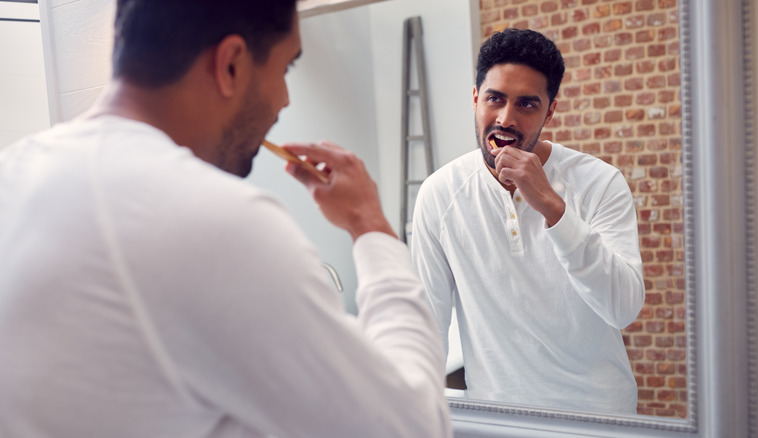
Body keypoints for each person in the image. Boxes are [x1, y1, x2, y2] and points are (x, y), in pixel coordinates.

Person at [0, 1, 452, 437]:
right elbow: (413, 428)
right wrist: (368, 224)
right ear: (232, 63)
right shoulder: (215, 221)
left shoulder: (12, 175)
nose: (285, 100)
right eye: (286, 68)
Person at [410, 28, 645, 414]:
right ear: (475, 99)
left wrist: (553, 208)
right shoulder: (440, 194)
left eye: (527, 105)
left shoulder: (601, 183)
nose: (506, 118)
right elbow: (428, 326)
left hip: (598, 416)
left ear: (549, 111)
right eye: (495, 99)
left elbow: (622, 308)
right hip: (498, 419)